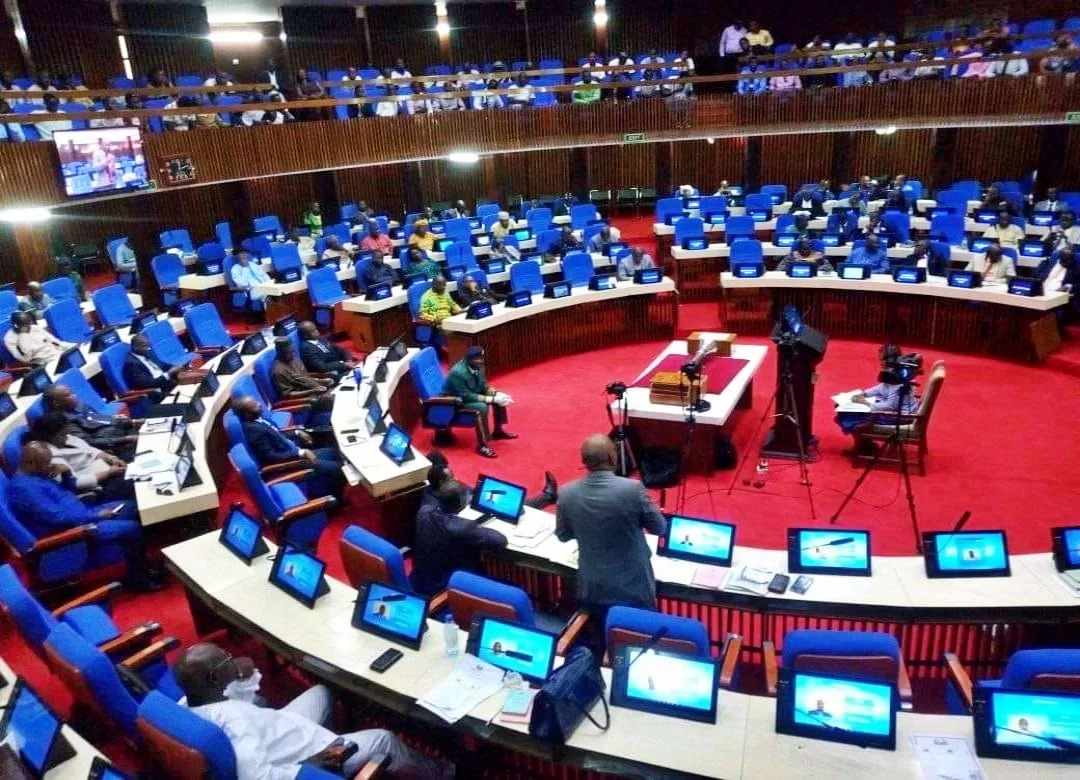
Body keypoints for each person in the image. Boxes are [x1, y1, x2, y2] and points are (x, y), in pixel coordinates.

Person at [174, 642, 450, 779]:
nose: (232, 661)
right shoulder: (235, 723)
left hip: (283, 726)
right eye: (227, 660)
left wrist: (239, 673)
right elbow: (259, 778)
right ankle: (443, 771)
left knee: (322, 691)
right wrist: (319, 763)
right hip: (305, 754)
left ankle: (342, 748)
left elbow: (244, 697)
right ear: (212, 678)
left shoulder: (188, 704)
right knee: (383, 739)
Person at [555, 435, 667, 643]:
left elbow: (563, 535)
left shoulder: (567, 492)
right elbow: (659, 527)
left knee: (601, 641)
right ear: (612, 457)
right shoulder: (632, 489)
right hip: (634, 588)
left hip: (593, 587)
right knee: (637, 642)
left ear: (583, 461)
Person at [8, 442, 161, 590]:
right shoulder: (24, 489)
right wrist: (96, 516)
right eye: (45, 464)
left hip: (86, 512)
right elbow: (57, 518)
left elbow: (70, 491)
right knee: (132, 528)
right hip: (75, 529)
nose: (49, 467)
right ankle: (136, 578)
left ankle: (142, 565)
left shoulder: (39, 475)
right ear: (30, 463)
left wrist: (66, 472)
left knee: (134, 507)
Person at [233, 396, 344, 502]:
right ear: (247, 414)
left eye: (256, 402)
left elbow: (277, 434)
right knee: (340, 468)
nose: (259, 405)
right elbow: (270, 456)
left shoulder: (258, 419)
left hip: (292, 451)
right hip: (289, 462)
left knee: (334, 452)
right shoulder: (253, 430)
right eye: (255, 406)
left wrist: (297, 432)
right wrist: (301, 453)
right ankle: (333, 501)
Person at [410, 479, 508, 597]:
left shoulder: (423, 512)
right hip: (444, 588)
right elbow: (500, 540)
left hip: (419, 580)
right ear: (460, 504)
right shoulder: (462, 527)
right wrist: (476, 526)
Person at [26, 411, 133, 501]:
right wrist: (109, 473)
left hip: (111, 468)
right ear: (50, 436)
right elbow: (77, 483)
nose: (67, 437)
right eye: (63, 434)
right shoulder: (50, 458)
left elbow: (91, 450)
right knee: (134, 484)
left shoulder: (64, 438)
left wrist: (112, 458)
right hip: (102, 485)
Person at [443, 346, 515, 459]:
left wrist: (495, 393)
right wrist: (489, 399)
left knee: (499, 398)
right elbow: (466, 396)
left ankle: (498, 431)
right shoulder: (458, 372)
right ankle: (482, 445)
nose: (480, 361)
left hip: (470, 394)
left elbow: (483, 385)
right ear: (469, 360)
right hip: (454, 400)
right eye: (477, 359)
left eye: (481, 358)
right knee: (481, 407)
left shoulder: (479, 366)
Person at [835, 344, 921, 439]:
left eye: (882, 360)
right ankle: (865, 444)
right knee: (845, 410)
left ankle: (864, 446)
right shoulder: (893, 372)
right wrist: (863, 394)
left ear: (890, 360)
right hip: (893, 411)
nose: (880, 363)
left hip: (900, 417)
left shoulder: (899, 378)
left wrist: (864, 402)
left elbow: (889, 406)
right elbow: (882, 388)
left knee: (854, 416)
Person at [42, 385, 141, 460]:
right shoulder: (63, 422)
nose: (75, 396)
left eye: (72, 392)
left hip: (124, 432)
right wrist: (126, 439)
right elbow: (89, 443)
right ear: (56, 403)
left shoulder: (79, 406)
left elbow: (102, 419)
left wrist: (132, 422)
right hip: (115, 446)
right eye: (69, 395)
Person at [3, 311, 70, 365]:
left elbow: (54, 341)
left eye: (29, 323)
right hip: (44, 362)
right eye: (26, 324)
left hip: (57, 353)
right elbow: (25, 359)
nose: (29, 326)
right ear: (16, 326)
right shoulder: (10, 339)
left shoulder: (34, 327)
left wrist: (70, 347)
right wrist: (23, 334)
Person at [418, 275, 462, 340]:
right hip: (439, 324)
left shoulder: (445, 292)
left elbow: (453, 304)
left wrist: (461, 311)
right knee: (456, 332)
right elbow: (422, 314)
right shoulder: (426, 297)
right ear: (434, 285)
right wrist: (435, 319)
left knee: (466, 326)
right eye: (441, 286)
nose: (444, 288)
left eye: (444, 286)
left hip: (450, 320)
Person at [719, 20, 749, 88]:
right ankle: (731, 89)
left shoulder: (744, 30)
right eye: (736, 24)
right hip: (729, 55)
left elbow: (746, 43)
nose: (738, 25)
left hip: (741, 54)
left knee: (741, 71)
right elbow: (722, 42)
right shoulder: (727, 29)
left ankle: (740, 88)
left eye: (739, 24)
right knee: (730, 72)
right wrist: (722, 54)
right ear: (733, 23)